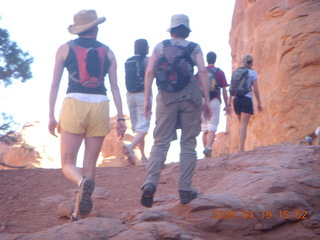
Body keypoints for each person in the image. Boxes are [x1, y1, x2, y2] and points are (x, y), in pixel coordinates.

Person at [48, 9, 126, 221]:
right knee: (90, 165)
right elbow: (115, 87)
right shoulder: (108, 52)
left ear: (78, 30)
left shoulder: (65, 48)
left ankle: (81, 182)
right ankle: (78, 214)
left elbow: (55, 83)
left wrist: (51, 115)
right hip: (100, 104)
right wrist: (120, 117)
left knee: (68, 163)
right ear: (96, 28)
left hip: (75, 103)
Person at [140, 14, 211, 207]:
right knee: (188, 142)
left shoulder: (160, 46)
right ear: (186, 31)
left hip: (165, 97)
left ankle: (150, 183)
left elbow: (150, 71)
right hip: (190, 97)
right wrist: (206, 99)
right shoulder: (193, 47)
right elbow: (203, 71)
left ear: (171, 30)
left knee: (161, 142)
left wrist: (147, 99)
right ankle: (185, 189)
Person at [123, 39, 151, 166]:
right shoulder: (147, 60)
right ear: (145, 48)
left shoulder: (129, 61)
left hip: (130, 96)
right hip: (142, 95)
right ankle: (131, 147)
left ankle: (143, 157)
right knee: (144, 128)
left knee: (139, 129)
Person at [229, 54, 262, 152]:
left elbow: (232, 87)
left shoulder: (236, 72)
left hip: (236, 100)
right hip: (246, 99)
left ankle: (240, 147)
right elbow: (255, 89)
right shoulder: (252, 73)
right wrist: (259, 102)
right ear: (251, 63)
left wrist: (228, 103)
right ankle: (241, 148)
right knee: (244, 125)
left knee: (241, 125)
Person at [201, 52, 230, 158]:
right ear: (215, 59)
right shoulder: (219, 72)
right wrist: (227, 105)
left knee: (204, 130)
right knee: (212, 128)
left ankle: (205, 152)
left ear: (206, 59)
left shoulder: (202, 71)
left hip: (202, 101)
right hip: (214, 100)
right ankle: (208, 147)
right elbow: (224, 90)